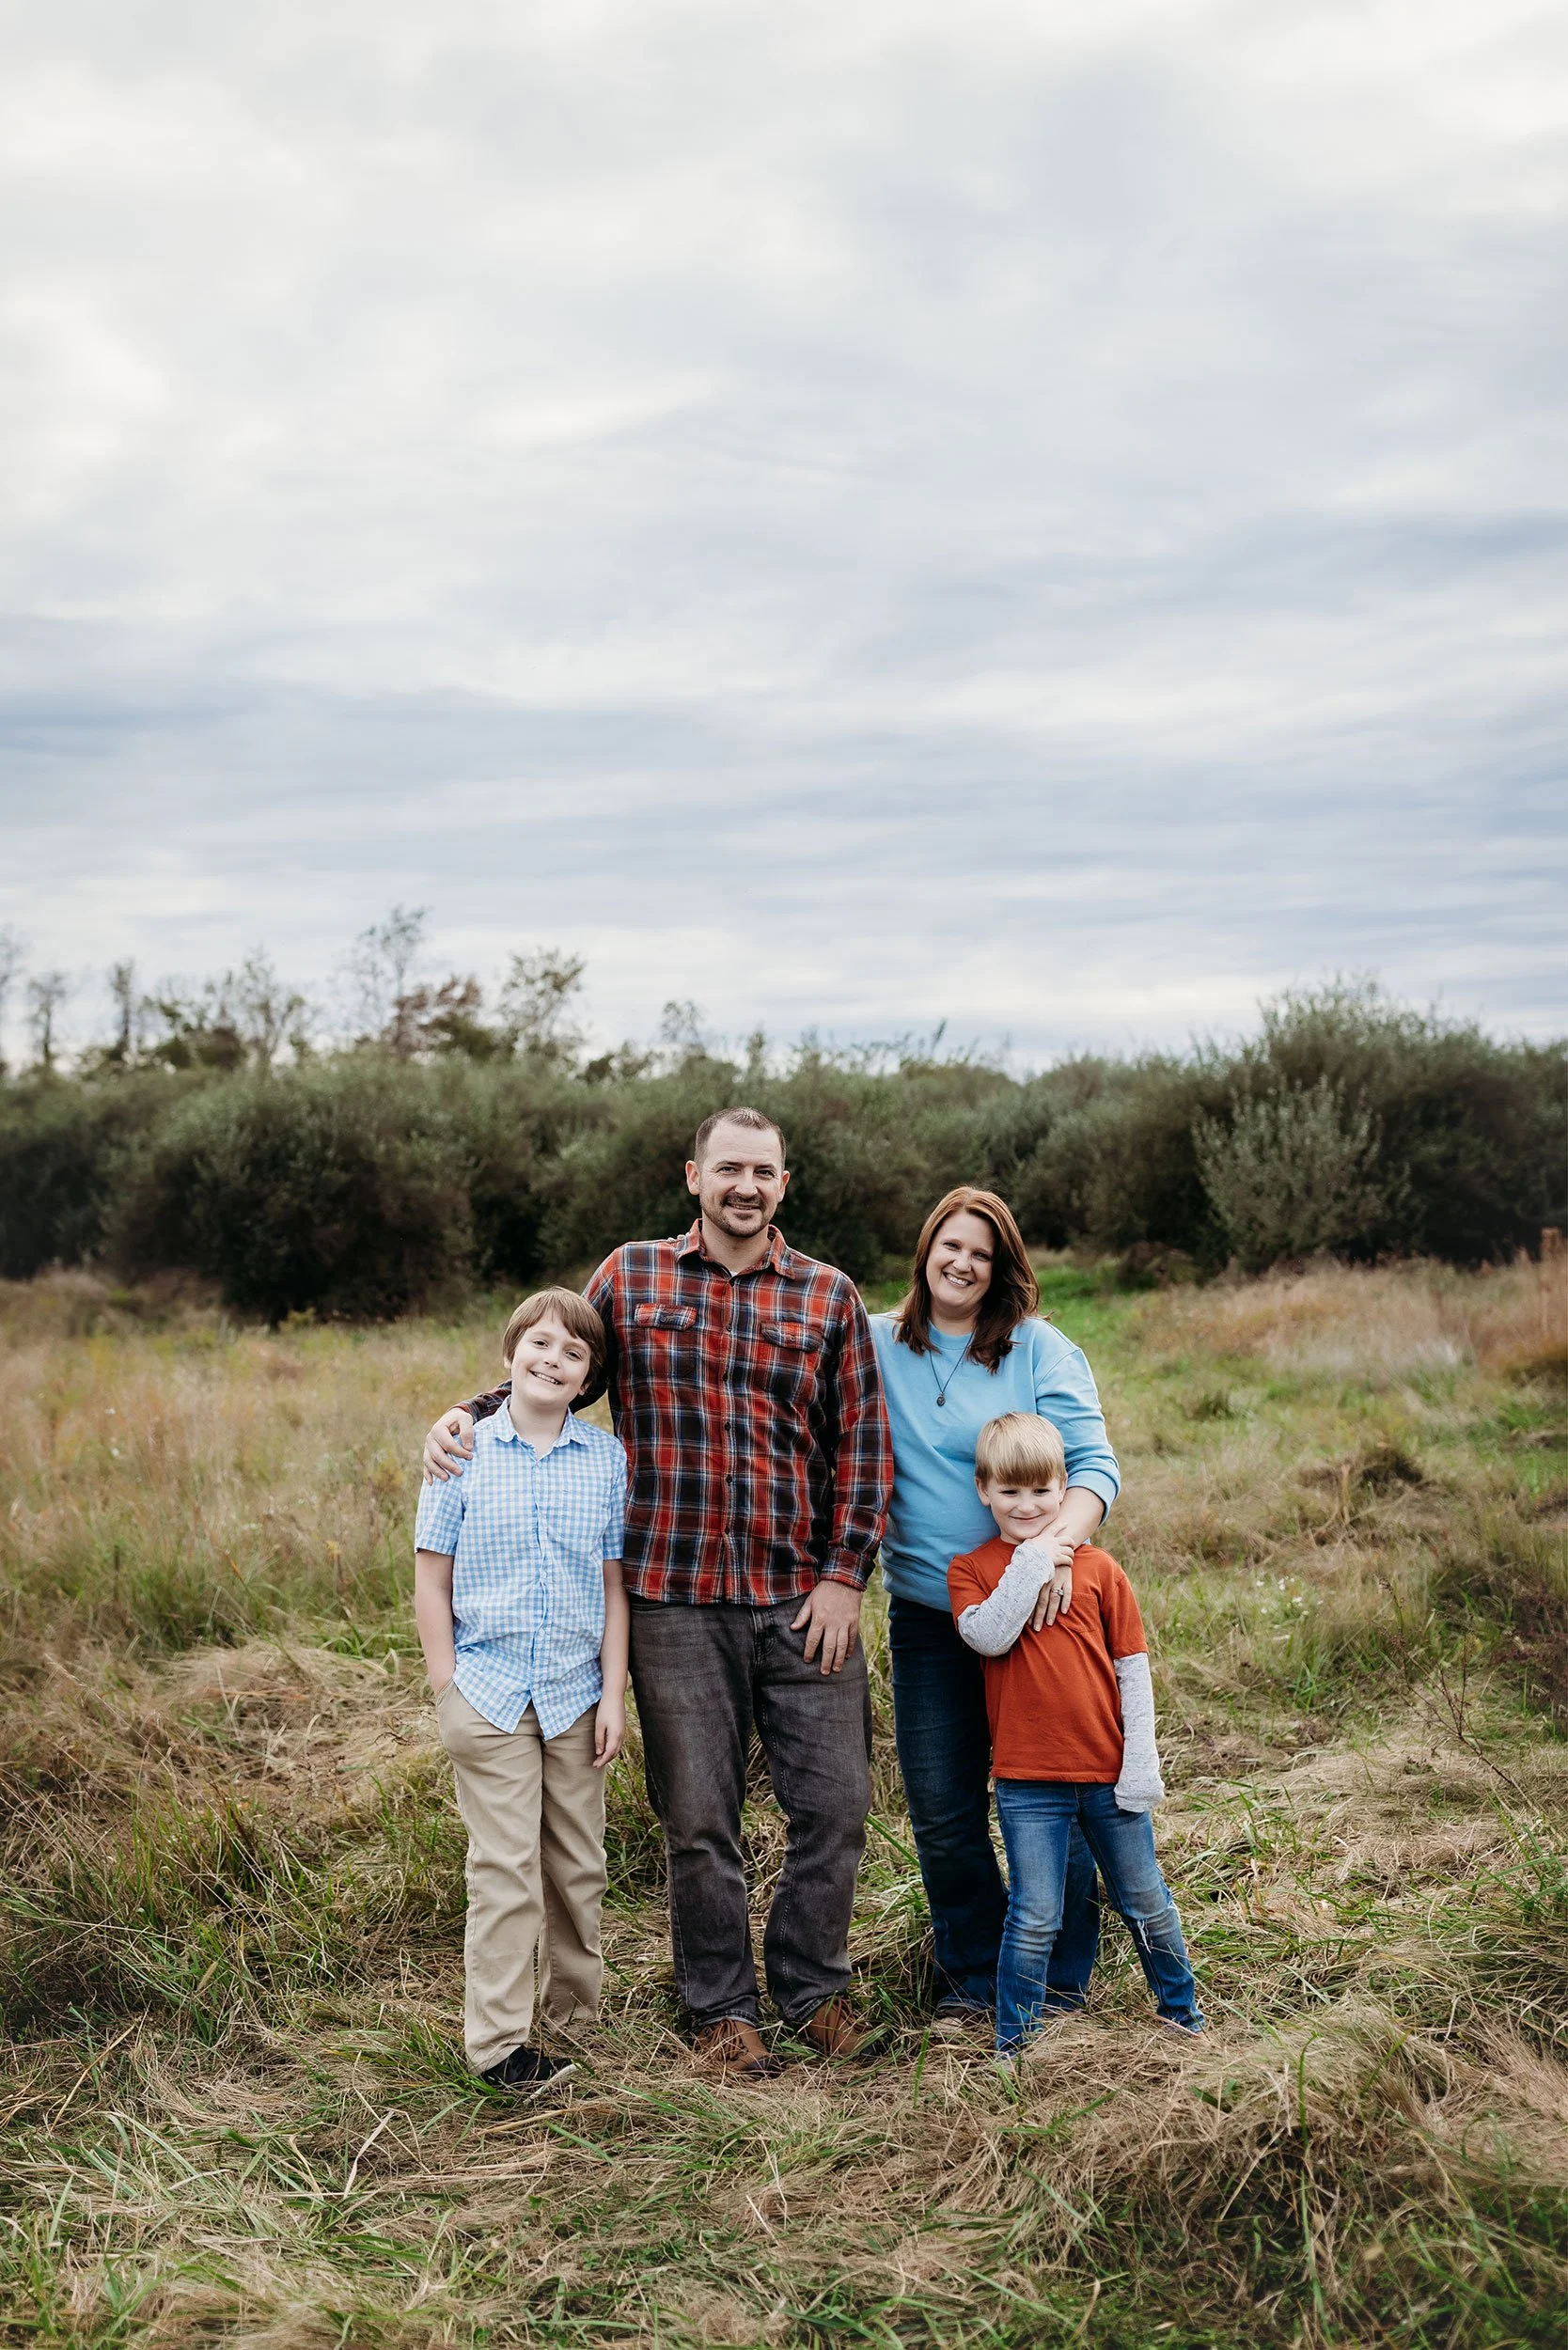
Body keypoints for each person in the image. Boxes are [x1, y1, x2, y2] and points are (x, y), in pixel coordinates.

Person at [422, 1109, 893, 2079]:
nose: (745, 1187)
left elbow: (864, 1446)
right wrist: (465, 1417)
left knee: (838, 1806)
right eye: (728, 1168)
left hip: (802, 1597)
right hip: (674, 1602)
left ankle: (813, 1990)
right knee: (698, 1820)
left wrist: (847, 1577)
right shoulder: (632, 1278)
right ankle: (721, 2009)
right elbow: (553, 1367)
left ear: (784, 1185)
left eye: (763, 1171)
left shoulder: (828, 1296)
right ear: (694, 1176)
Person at [870, 1187, 1120, 2023]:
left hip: (1041, 1614)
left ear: (1001, 1265)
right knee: (943, 1812)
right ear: (925, 1249)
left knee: (1057, 1804)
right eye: (951, 1245)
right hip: (929, 1619)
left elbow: (1093, 1467)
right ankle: (976, 1978)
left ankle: (1060, 1982)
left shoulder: (1037, 1350)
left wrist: (1053, 1553)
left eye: (982, 1251)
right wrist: (486, 1412)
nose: (962, 1262)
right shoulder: (875, 1343)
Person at [414, 1287, 630, 2093]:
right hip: (491, 1690)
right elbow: (431, 1581)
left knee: (578, 1864)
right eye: (539, 1344)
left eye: (573, 1353)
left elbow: (613, 1590)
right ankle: (500, 2045)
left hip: (576, 1693)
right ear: (510, 1357)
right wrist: (448, 1689)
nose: (553, 1360)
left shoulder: (605, 1461)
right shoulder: (462, 1450)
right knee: (503, 1867)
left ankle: (575, 2019)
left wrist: (613, 1695)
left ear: (587, 1378)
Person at [949, 1411, 1203, 2055]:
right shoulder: (972, 1570)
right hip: (1027, 1781)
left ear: (1065, 1489)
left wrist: (1140, 1762)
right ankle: (1017, 2043)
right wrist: (1031, 1561)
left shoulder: (1102, 1571)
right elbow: (987, 1634)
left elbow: (1133, 1671)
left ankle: (1184, 2018)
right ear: (984, 1491)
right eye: (1010, 1492)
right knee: (1035, 1913)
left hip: (1108, 1775)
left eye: (1041, 1492)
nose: (1027, 1505)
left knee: (1145, 1901)